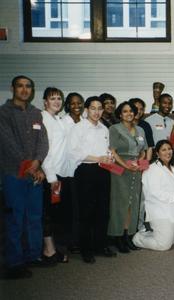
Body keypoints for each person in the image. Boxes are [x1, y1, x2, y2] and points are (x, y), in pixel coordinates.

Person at [0, 75, 49, 279]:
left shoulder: (36, 113)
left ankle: (33, 255)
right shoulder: (3, 113)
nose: (24, 89)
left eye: (28, 86)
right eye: (20, 86)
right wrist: (31, 166)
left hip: (34, 174)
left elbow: (43, 142)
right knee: (15, 218)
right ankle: (14, 262)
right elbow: (7, 143)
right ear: (13, 88)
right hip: (14, 174)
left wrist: (37, 163)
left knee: (34, 217)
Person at [68, 96, 117, 263]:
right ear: (86, 110)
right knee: (86, 211)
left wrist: (108, 157)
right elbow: (74, 153)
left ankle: (100, 245)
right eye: (93, 108)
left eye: (100, 108)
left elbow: (107, 150)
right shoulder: (78, 128)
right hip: (85, 171)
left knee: (103, 210)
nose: (97, 112)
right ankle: (86, 249)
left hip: (103, 171)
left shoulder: (104, 129)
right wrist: (98, 158)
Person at [133, 140, 174, 251]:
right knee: (164, 245)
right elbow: (154, 191)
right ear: (157, 153)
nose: (168, 152)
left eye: (169, 149)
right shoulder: (152, 169)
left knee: (172, 240)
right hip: (161, 212)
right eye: (164, 150)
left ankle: (149, 233)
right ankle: (138, 237)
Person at [108, 101, 148, 253]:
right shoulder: (114, 129)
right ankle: (118, 236)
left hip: (136, 170)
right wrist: (126, 166)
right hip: (120, 170)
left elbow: (143, 150)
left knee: (133, 203)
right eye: (125, 111)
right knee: (120, 204)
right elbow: (112, 151)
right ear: (120, 114)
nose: (129, 114)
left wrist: (140, 163)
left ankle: (128, 235)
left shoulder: (140, 130)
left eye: (131, 111)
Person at [41, 87, 72, 264]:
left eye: (59, 98)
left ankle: (53, 248)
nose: (57, 101)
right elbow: (44, 151)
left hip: (62, 174)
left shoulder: (59, 120)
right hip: (51, 175)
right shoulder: (44, 119)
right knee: (49, 214)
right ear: (45, 101)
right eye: (53, 98)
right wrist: (51, 177)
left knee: (57, 213)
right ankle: (49, 250)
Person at [61, 92, 84, 253]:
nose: (77, 106)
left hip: (84, 169)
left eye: (79, 103)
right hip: (68, 170)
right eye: (73, 103)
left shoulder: (85, 122)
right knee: (72, 207)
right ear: (67, 105)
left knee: (82, 206)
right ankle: (72, 241)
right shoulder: (63, 122)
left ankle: (81, 238)